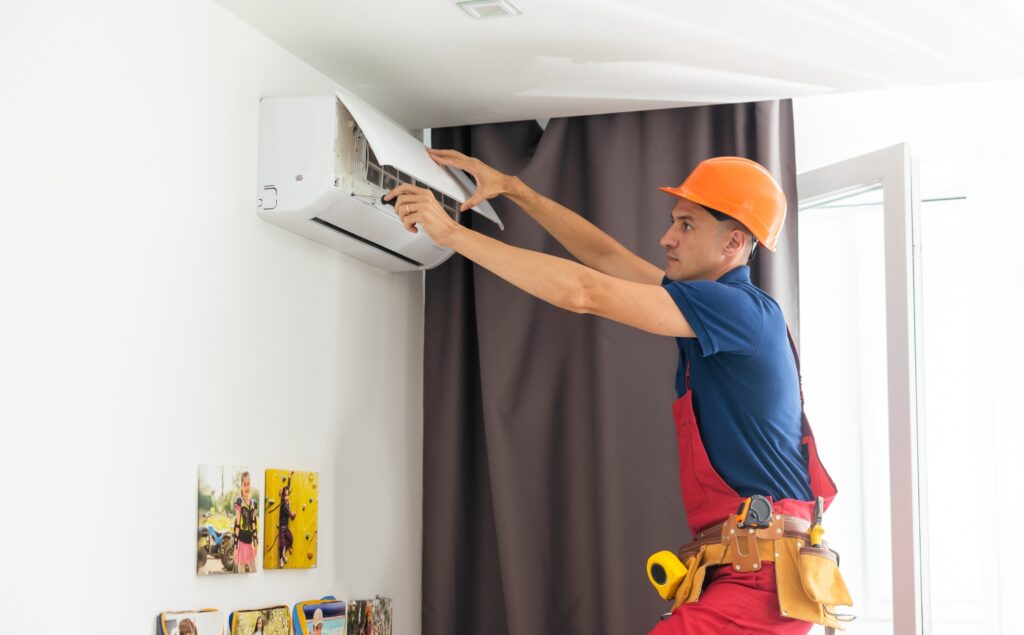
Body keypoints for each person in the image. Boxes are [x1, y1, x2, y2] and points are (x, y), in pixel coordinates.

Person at [384, 150, 840, 634]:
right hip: (743, 569)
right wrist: (517, 191)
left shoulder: (740, 312)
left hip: (761, 579)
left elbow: (585, 291)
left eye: (686, 225)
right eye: (673, 222)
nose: (667, 237)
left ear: (733, 241)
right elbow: (604, 259)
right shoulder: (708, 308)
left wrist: (452, 233)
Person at [234, 471, 258, 573]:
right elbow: (237, 525)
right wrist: (235, 547)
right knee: (241, 572)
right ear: (241, 486)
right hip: (241, 542)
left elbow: (253, 524)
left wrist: (255, 543)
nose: (247, 487)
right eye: (245, 484)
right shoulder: (239, 501)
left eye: (248, 484)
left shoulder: (253, 503)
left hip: (249, 542)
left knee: (254, 570)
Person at [278, 480, 297, 568]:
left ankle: (283, 552)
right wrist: (294, 513)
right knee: (282, 544)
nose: (287, 497)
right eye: (285, 495)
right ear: (282, 496)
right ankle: (281, 558)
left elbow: (288, 488)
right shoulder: (284, 505)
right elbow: (291, 515)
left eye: (288, 495)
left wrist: (289, 477)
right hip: (282, 528)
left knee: (291, 539)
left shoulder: (286, 502)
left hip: (286, 528)